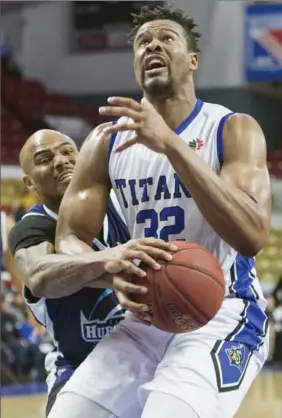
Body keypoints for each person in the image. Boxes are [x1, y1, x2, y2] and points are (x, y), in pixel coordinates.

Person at [51, 4, 271, 418]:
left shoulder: (232, 128)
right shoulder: (106, 141)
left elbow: (252, 234)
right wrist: (106, 268)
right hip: (146, 315)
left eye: (166, 38)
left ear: (192, 60)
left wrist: (171, 144)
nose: (152, 45)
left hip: (223, 310)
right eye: (142, 42)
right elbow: (69, 238)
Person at [8, 129, 173, 416]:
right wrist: (107, 259)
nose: (60, 161)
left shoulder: (125, 206)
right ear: (29, 182)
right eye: (45, 159)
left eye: (68, 151)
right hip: (79, 366)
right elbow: (38, 275)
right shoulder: (31, 228)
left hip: (150, 359)